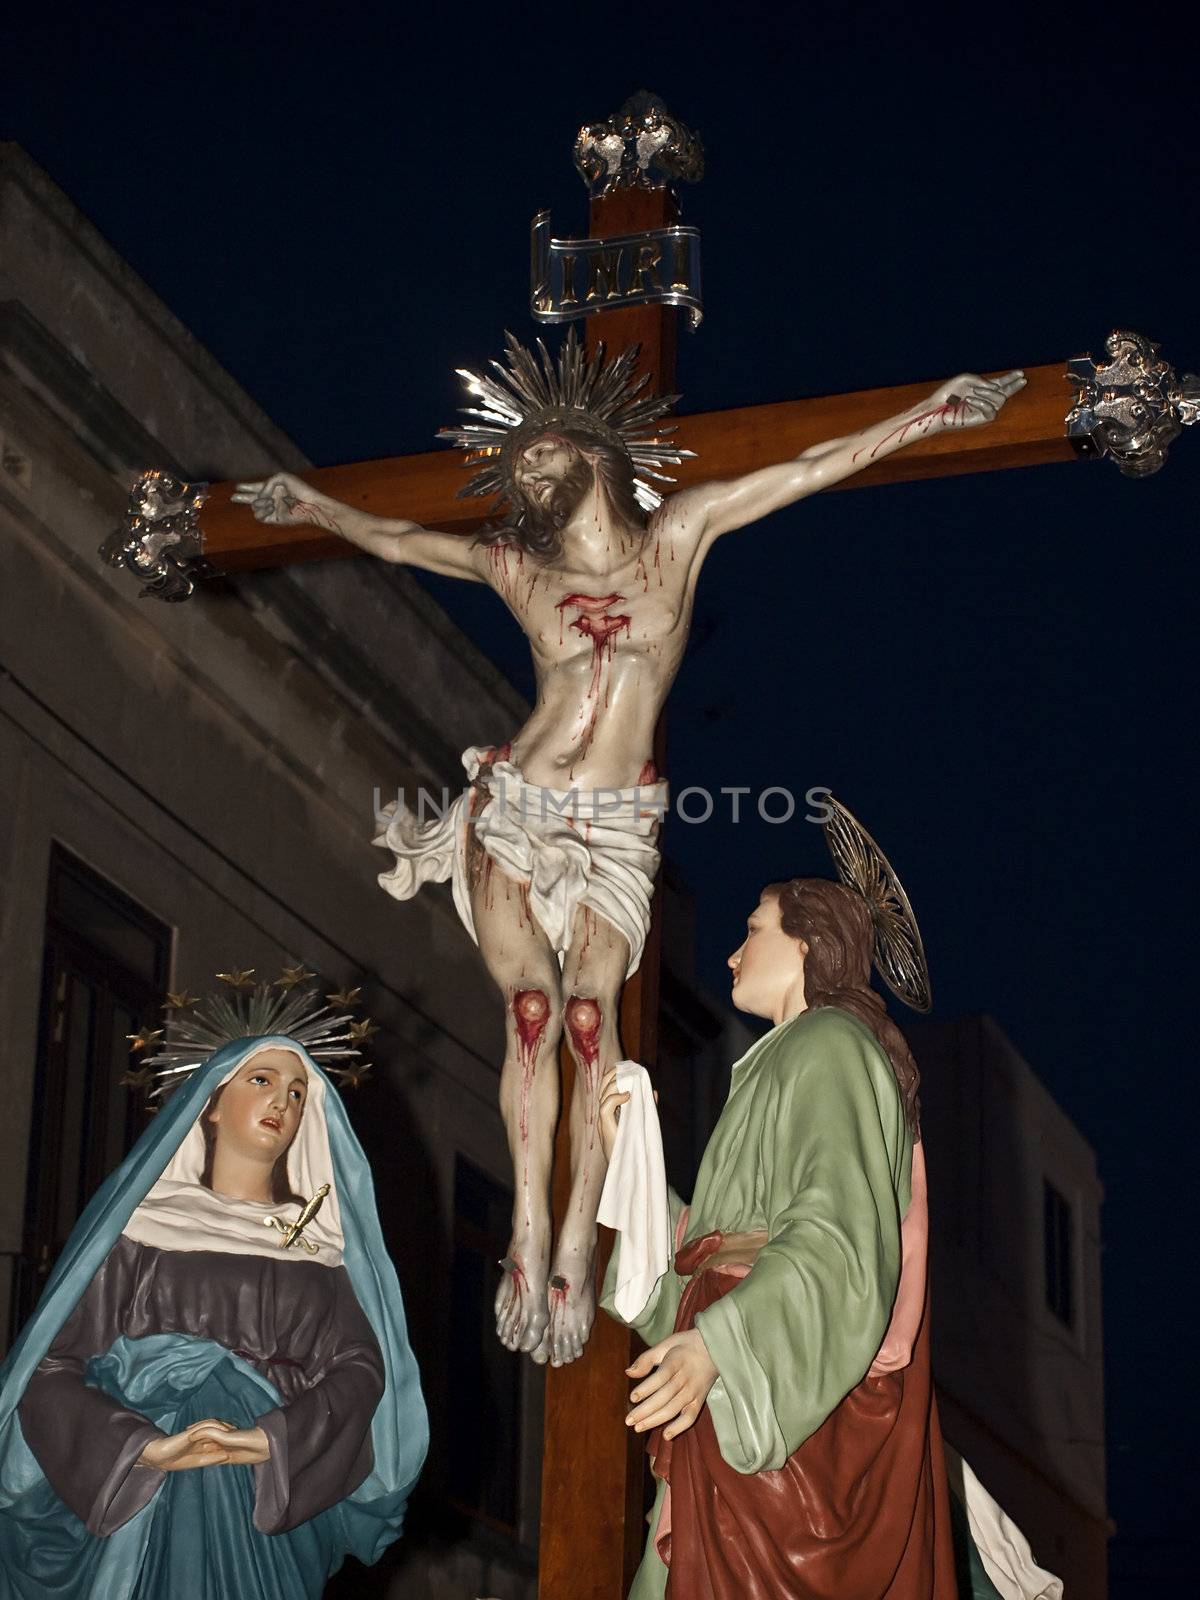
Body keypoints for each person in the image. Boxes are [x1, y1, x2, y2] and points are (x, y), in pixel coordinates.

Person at [232, 332, 1026, 1367]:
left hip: (613, 827)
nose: (522, 484)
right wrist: (314, 508)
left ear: (590, 453)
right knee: (531, 1013)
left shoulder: (678, 536)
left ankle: (575, 1237)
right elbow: (403, 544)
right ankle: (526, 1226)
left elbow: (806, 468)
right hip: (518, 800)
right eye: (514, 472)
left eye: (536, 462)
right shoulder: (521, 570)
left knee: (589, 1018)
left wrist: (933, 409)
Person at [598, 879, 1060, 1600]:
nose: (730, 954)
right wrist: (635, 1171)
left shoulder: (829, 1045)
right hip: (742, 1402)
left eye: (753, 929)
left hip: (778, 1421)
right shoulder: (783, 1061)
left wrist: (721, 1343)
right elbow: (703, 1267)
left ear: (807, 944)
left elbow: (838, 1241)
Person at [0, 1036, 427, 1600]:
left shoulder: (319, 1256)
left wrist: (274, 1441)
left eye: (298, 1093)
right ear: (211, 1101)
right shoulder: (139, 1232)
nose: (283, 1101)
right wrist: (140, 1448)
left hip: (264, 1503)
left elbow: (361, 1373)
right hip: (148, 1495)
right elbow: (51, 1369)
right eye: (262, 1080)